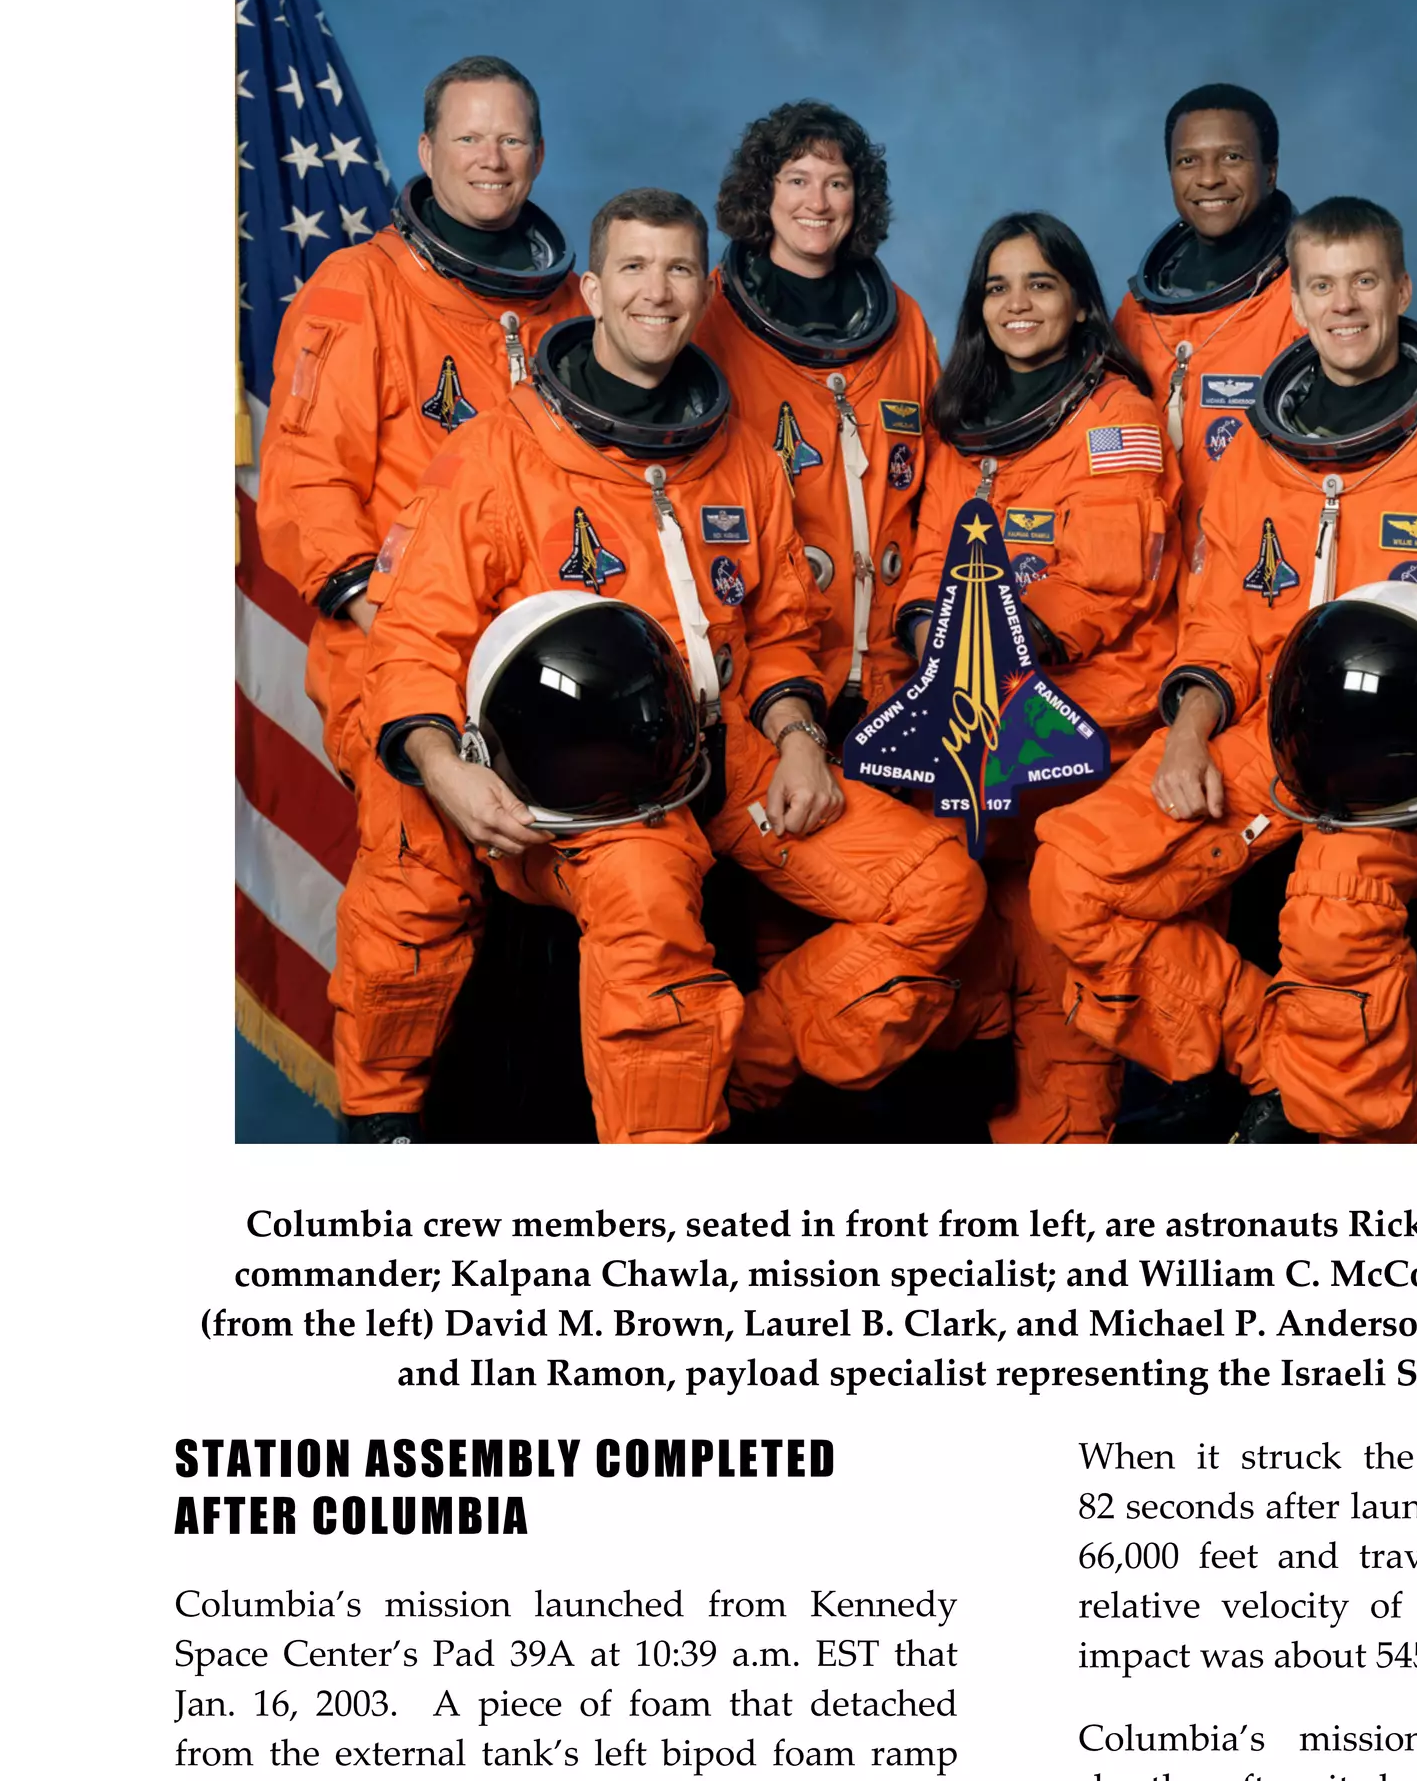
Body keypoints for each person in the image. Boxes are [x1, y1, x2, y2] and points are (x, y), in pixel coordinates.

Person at [337, 188, 983, 1144]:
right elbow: (417, 636)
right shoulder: (499, 455)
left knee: (938, 889)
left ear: (703, 285)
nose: (658, 291)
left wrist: (800, 736)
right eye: (635, 268)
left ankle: (742, 1065)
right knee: (648, 920)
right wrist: (445, 768)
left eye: (680, 268)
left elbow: (778, 631)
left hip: (724, 758)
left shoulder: (743, 461)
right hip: (583, 791)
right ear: (593, 288)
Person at [1032, 196, 1417, 1143]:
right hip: (1276, 736)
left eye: (1365, 281)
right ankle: (1282, 1069)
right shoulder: (1259, 449)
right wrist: (1186, 736)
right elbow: (1216, 622)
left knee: (1336, 903)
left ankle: (1342, 1150)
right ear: (1296, 302)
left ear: (1403, 289)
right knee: (1072, 876)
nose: (1345, 306)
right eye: (1324, 286)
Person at [899, 213, 1179, 1141]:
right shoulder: (965, 422)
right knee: (967, 945)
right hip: (980, 722)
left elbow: (1106, 583)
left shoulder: (1118, 421)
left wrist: (986, 649)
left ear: (1082, 302)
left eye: (1041, 283)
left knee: (1060, 959)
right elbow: (927, 553)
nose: (1018, 304)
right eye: (998, 287)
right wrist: (921, 625)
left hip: (1088, 721)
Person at [258, 54, 581, 784]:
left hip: (546, 663)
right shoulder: (358, 289)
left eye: (511, 140)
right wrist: (401, 633)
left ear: (538, 154)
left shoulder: (574, 313)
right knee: (424, 885)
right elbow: (307, 484)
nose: (491, 161)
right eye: (468, 140)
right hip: (400, 655)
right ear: (427, 152)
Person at [698, 100, 939, 743]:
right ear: (763, 191)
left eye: (838, 182)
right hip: (774, 677)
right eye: (798, 179)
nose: (819, 202)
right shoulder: (708, 322)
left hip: (899, 664)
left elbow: (940, 487)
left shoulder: (904, 325)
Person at [1114, 84, 1300, 522]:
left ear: (1270, 171)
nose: (1209, 177)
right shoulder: (1139, 310)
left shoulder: (1310, 297)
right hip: (1152, 571)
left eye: (1232, 157)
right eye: (1187, 161)